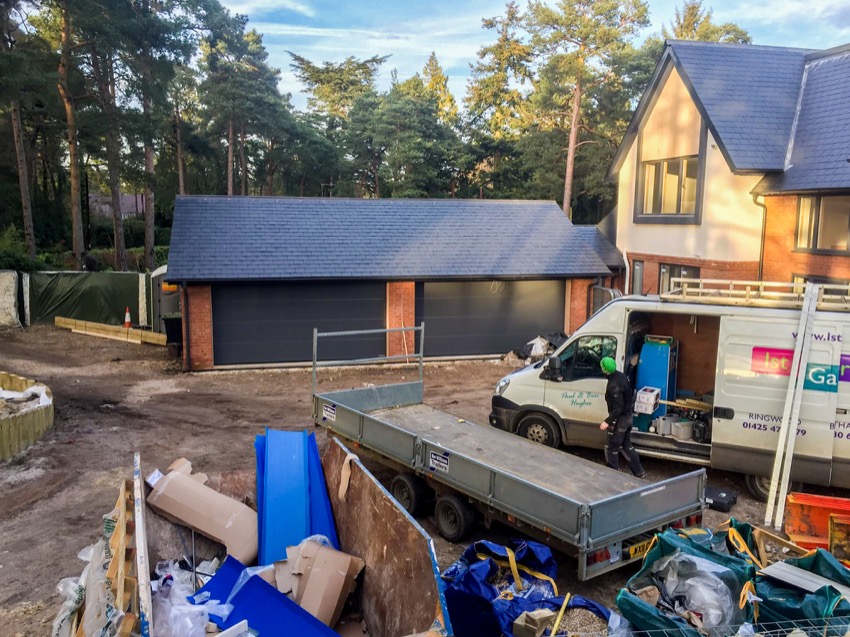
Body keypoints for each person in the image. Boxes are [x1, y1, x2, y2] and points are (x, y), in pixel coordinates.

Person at [598, 356, 646, 478]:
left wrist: (607, 422)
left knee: (612, 447)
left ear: (605, 369)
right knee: (627, 445)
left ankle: (612, 475)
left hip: (622, 421)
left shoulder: (613, 386)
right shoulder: (620, 376)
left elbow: (618, 409)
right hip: (628, 417)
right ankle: (639, 472)